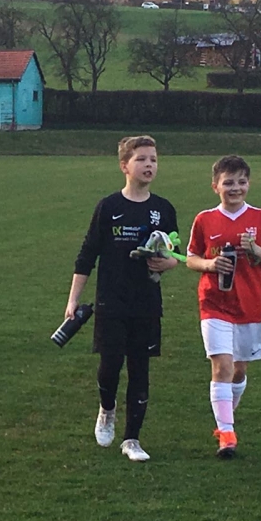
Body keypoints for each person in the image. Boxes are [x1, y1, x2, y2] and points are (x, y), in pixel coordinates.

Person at [65, 135, 179, 463]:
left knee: (140, 369)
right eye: (141, 159)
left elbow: (176, 252)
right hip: (111, 301)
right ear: (124, 166)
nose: (149, 165)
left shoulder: (163, 209)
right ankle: (107, 409)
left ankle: (132, 439)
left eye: (153, 159)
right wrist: (73, 300)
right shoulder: (109, 207)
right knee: (110, 367)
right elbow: (87, 255)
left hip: (146, 303)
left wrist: (167, 263)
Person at [186, 155, 261, 459]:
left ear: (249, 184)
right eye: (228, 183)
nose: (235, 188)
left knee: (238, 371)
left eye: (241, 182)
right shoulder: (205, 219)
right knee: (222, 366)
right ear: (215, 186)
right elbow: (191, 258)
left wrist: (255, 249)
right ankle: (226, 434)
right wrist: (210, 264)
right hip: (214, 303)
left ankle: (227, 413)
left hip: (249, 304)